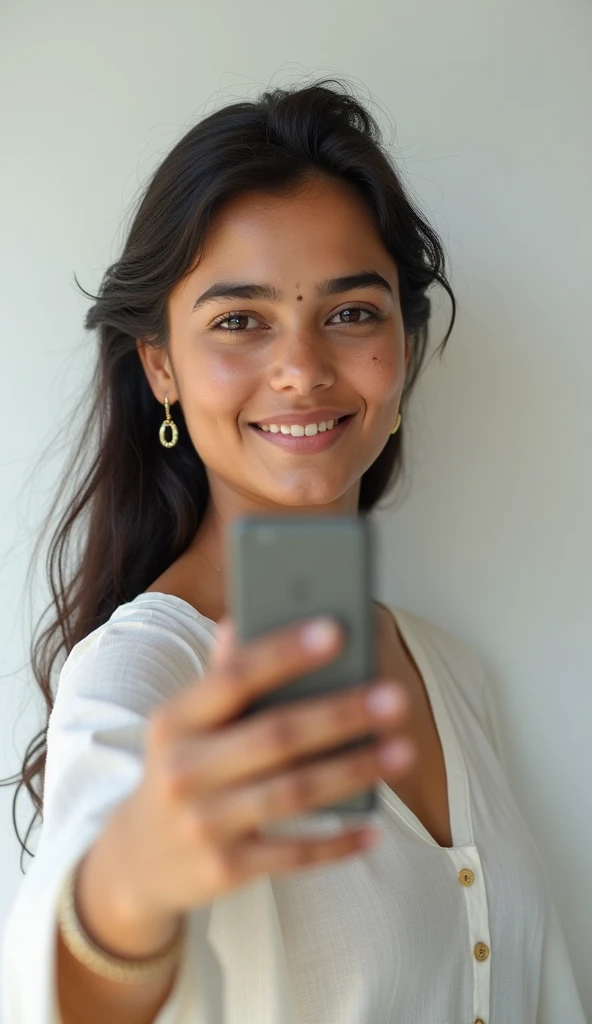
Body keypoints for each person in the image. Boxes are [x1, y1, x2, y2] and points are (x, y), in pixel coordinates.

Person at [0, 77, 585, 1024]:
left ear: (403, 344)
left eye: (352, 313)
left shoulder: (455, 674)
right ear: (160, 366)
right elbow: (63, 991)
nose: (304, 368)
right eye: (239, 321)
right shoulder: (144, 672)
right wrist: (121, 902)